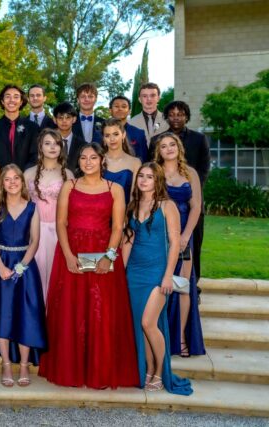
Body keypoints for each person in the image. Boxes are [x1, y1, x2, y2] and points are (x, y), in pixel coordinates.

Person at [38, 144, 139, 389]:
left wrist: (109, 256)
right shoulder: (69, 186)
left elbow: (118, 226)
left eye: (93, 157)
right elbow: (61, 223)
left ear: (102, 160)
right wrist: (68, 255)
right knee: (72, 310)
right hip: (72, 252)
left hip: (103, 252)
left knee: (100, 310)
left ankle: (99, 370)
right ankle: (71, 369)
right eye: (83, 158)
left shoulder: (115, 189)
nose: (88, 162)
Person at [122, 162, 193, 395]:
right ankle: (149, 368)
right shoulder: (132, 205)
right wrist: (120, 271)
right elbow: (128, 241)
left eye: (149, 177)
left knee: (148, 323)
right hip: (134, 272)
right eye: (141, 176)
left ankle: (160, 372)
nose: (143, 180)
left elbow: (175, 242)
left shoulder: (167, 205)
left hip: (157, 271)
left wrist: (168, 276)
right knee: (140, 325)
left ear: (158, 180)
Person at [0, 164, 46, 388]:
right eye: (7, 179)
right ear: (2, 183)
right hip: (0, 265)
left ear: (22, 182)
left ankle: (24, 365)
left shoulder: (32, 208)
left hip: (25, 265)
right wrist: (1, 267)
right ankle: (5, 364)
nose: (12, 182)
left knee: (26, 314)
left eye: (16, 178)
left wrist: (22, 266)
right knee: (2, 314)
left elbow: (35, 241)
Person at [154, 133, 205, 357]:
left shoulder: (190, 173)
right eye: (164, 146)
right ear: (159, 151)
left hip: (184, 235)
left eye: (172, 144)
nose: (169, 149)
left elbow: (196, 207)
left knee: (182, 286)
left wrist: (185, 236)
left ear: (179, 147)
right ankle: (158, 336)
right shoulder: (155, 172)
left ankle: (182, 337)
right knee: (160, 285)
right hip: (160, 235)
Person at [155, 100, 210, 283]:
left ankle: (193, 286)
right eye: (172, 115)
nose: (176, 118)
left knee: (192, 249)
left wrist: (187, 188)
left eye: (180, 114)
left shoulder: (199, 139)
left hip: (190, 205)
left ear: (186, 116)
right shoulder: (157, 140)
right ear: (166, 117)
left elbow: (204, 169)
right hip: (163, 211)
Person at [24, 129, 73, 299]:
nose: (52, 147)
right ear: (40, 147)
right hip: (34, 232)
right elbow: (23, 207)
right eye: (47, 143)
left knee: (57, 277)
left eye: (56, 143)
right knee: (35, 276)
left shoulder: (68, 175)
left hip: (59, 233)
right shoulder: (28, 173)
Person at [0, 84, 39, 170]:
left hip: (26, 176)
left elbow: (35, 156)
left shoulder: (33, 128)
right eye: (8, 96)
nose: (12, 100)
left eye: (16, 97)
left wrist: (23, 175)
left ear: (21, 102)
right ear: (2, 101)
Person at [101, 118, 141, 205]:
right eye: (107, 136)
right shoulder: (98, 160)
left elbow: (134, 196)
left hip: (126, 211)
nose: (112, 139)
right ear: (103, 139)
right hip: (99, 210)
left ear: (123, 135)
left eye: (116, 134)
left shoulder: (135, 162)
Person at [109, 95, 149, 163]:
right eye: (116, 106)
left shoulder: (139, 133)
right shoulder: (100, 133)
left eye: (124, 106)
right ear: (110, 110)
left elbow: (144, 159)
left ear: (129, 111)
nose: (120, 109)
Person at [49, 102, 86, 168]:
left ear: (74, 119)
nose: (64, 121)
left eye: (68, 117)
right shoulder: (46, 142)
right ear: (54, 120)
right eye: (60, 118)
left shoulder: (83, 145)